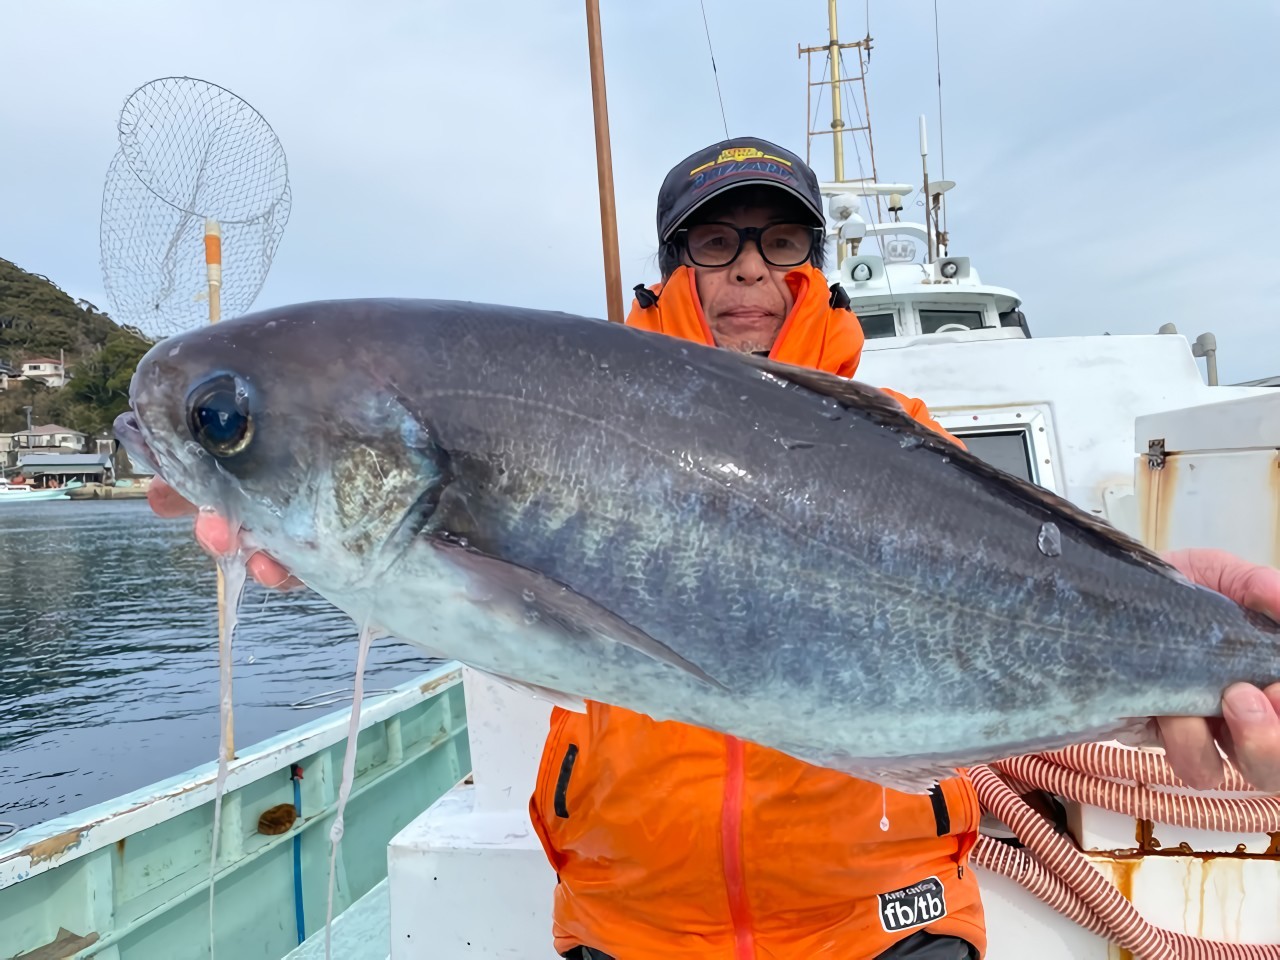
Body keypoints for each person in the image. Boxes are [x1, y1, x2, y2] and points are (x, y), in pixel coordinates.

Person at [148, 136, 1280, 960]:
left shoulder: (904, 442)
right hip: (636, 919)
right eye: (715, 240)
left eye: (779, 239)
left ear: (810, 263)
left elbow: (1027, 574)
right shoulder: (558, 399)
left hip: (875, 915)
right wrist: (298, 535)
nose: (748, 267)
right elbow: (448, 587)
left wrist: (1184, 630)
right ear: (672, 264)